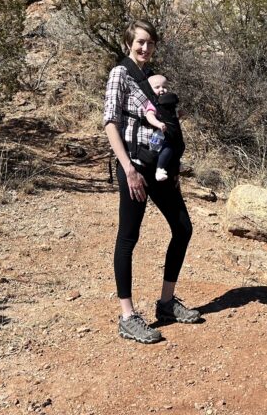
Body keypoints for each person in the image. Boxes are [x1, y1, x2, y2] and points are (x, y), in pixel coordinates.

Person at [103, 20, 201, 343]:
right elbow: (110, 122)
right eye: (140, 42)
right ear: (129, 42)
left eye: (150, 43)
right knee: (128, 237)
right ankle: (127, 316)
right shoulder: (121, 73)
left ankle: (166, 303)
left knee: (183, 227)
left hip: (157, 166)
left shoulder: (151, 78)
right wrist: (128, 169)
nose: (145, 48)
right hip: (134, 166)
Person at [141, 74, 184, 182]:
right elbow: (149, 115)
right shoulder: (153, 103)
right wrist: (158, 123)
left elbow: (173, 115)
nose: (162, 90)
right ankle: (160, 169)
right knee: (167, 149)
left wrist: (180, 114)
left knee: (180, 146)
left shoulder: (169, 104)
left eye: (164, 87)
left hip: (172, 133)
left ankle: (177, 164)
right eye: (157, 87)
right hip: (160, 135)